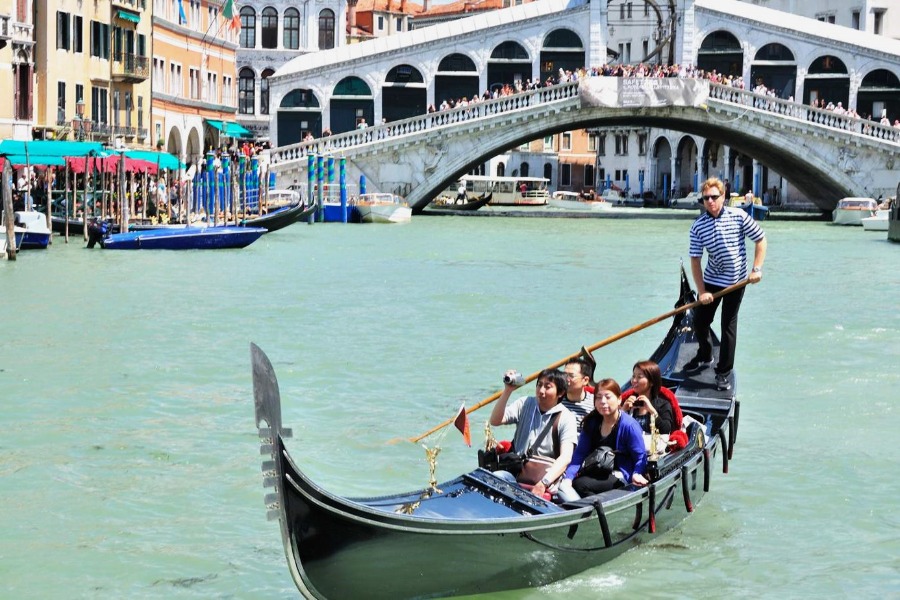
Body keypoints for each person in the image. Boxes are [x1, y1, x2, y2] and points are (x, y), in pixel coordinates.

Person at [687, 177, 767, 391]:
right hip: (712, 281)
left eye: (714, 197)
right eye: (706, 198)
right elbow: (695, 259)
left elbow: (761, 239)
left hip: (736, 282)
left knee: (728, 326)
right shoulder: (698, 226)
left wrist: (756, 269)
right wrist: (702, 291)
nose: (710, 201)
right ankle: (705, 354)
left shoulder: (739, 216)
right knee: (700, 322)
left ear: (723, 197)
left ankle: (723, 372)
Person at [489, 368, 578, 498]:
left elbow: (565, 457)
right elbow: (495, 421)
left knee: (571, 499)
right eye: (539, 385)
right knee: (496, 478)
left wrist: (544, 483)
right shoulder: (525, 404)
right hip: (518, 473)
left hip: (549, 480)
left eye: (548, 387)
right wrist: (507, 391)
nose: (541, 391)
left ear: (561, 393)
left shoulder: (566, 417)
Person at [557, 378, 648, 502]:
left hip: (620, 475)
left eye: (608, 397)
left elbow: (640, 456)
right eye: (598, 398)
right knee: (565, 484)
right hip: (595, 469)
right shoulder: (592, 422)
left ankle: (594, 510)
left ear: (619, 399)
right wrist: (568, 477)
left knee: (580, 485)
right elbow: (580, 454)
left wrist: (637, 473)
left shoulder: (629, 425)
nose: (603, 402)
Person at [621, 360, 680, 435]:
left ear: (651, 382)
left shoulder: (663, 405)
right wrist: (623, 411)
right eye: (633, 376)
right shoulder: (628, 402)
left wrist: (652, 411)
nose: (634, 380)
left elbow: (666, 430)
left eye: (639, 377)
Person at [561, 357, 594, 430]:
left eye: (571, 376)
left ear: (585, 380)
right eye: (565, 375)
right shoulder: (555, 401)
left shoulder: (595, 403)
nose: (566, 379)